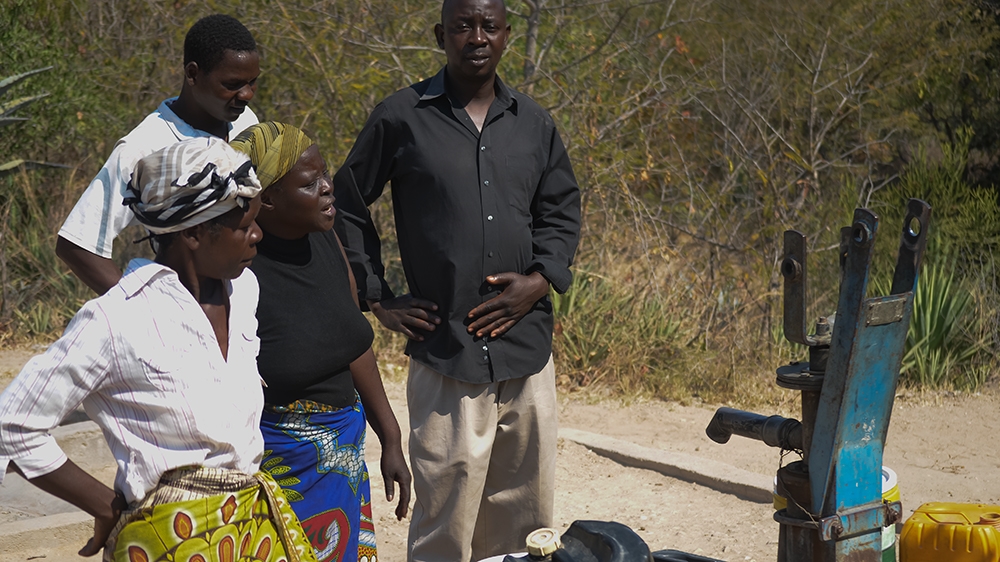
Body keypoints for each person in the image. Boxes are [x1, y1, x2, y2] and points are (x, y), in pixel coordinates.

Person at [332, 0, 582, 558]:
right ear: (440, 34)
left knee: (527, 519)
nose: (477, 37)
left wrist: (541, 279)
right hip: (447, 349)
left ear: (506, 35)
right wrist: (378, 296)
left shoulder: (534, 123)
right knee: (445, 517)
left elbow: (562, 210)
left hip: (526, 351)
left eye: (489, 26)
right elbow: (345, 203)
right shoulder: (401, 117)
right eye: (463, 26)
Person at [0, 137, 317, 562]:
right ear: (193, 233)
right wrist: (104, 506)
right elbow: (12, 424)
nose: (257, 235)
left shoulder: (243, 291)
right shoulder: (116, 319)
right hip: (168, 539)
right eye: (243, 227)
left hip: (252, 530)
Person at [231, 122, 411, 562]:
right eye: (310, 183)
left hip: (343, 461)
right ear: (266, 200)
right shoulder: (239, 274)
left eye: (325, 175)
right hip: (278, 468)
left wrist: (389, 436)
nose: (328, 187)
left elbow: (351, 338)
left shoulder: (326, 237)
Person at [56, 13, 261, 295]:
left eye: (253, 82)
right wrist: (144, 310)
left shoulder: (245, 122)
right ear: (193, 74)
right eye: (232, 84)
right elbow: (77, 244)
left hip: (246, 303)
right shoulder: (144, 147)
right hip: (187, 302)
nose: (247, 94)